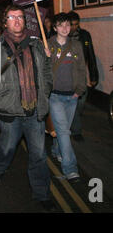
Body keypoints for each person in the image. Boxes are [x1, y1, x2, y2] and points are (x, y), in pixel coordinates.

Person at [0, 5, 56, 212]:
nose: (17, 20)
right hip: (9, 110)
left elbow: (46, 71)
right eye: (12, 17)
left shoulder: (37, 45)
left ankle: (42, 193)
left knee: (38, 155)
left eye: (20, 17)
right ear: (5, 22)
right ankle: (0, 167)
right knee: (7, 148)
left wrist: (45, 92)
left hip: (34, 111)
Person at [47, 13, 86, 183]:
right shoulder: (48, 45)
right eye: (61, 25)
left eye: (68, 25)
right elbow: (41, 70)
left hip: (72, 96)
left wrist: (80, 90)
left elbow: (81, 69)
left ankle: (57, 151)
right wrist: (45, 56)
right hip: (55, 96)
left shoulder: (76, 45)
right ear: (55, 28)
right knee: (64, 131)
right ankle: (71, 170)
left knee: (62, 130)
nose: (65, 28)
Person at [68, 11, 99, 141]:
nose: (74, 27)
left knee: (80, 102)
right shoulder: (62, 35)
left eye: (76, 24)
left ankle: (73, 120)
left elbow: (91, 55)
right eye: (71, 24)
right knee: (73, 103)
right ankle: (76, 131)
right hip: (67, 75)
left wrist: (94, 75)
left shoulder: (85, 35)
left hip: (81, 75)